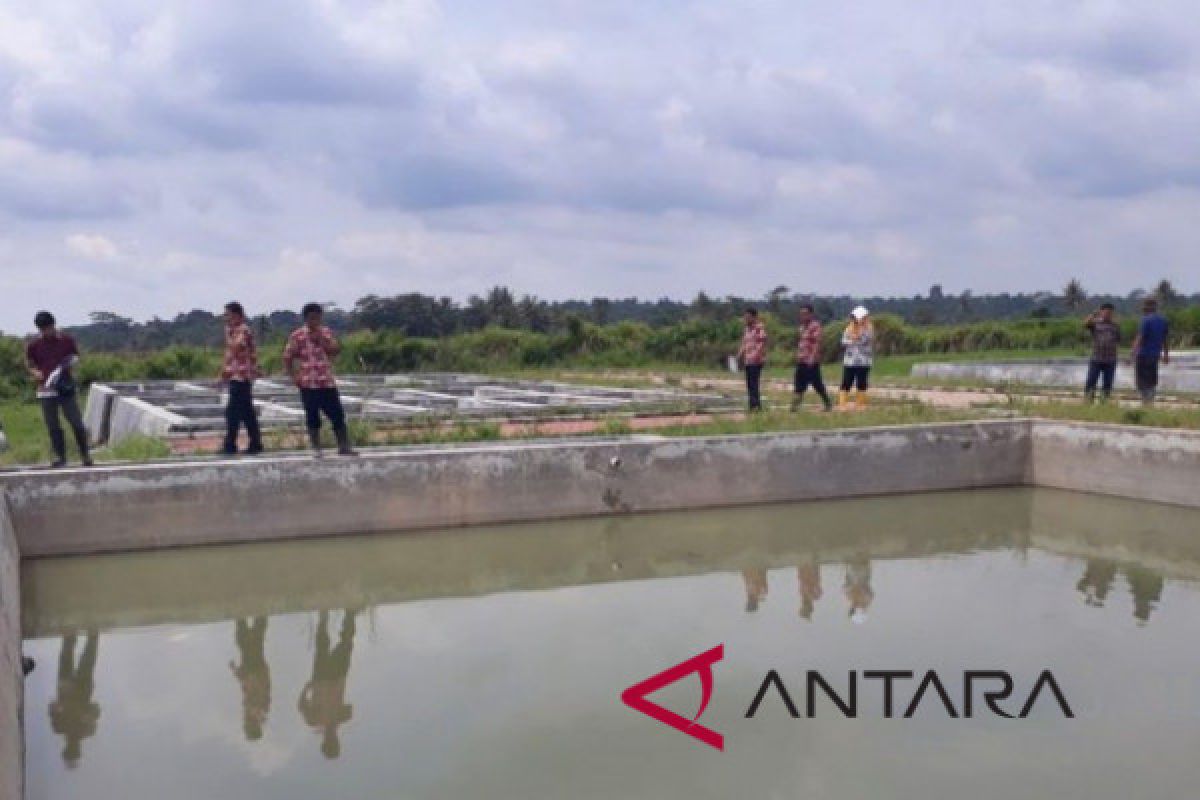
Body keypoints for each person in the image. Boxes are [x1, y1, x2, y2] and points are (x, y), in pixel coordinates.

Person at [283, 303, 357, 456]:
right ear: (306, 318)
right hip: (308, 383)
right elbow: (288, 357)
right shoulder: (297, 336)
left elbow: (335, 350)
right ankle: (316, 447)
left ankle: (343, 445)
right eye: (312, 318)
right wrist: (293, 376)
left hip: (326, 381)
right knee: (312, 415)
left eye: (318, 318)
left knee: (337, 414)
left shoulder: (326, 333)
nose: (315, 321)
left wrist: (322, 340)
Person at [26, 311, 92, 467]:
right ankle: (61, 458)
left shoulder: (66, 341)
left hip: (65, 387)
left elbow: (76, 357)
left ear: (53, 325)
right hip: (46, 390)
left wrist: (70, 365)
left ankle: (85, 455)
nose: (45, 332)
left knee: (76, 422)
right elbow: (29, 364)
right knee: (53, 425)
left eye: (48, 328)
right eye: (42, 329)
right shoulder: (34, 345)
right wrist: (36, 373)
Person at [298, 609, 358, 759]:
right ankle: (349, 613)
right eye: (335, 742)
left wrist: (307, 688)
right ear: (337, 741)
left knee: (323, 645)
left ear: (325, 741)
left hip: (321, 679)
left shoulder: (314, 720)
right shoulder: (340, 718)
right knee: (346, 643)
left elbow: (301, 705)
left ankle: (324, 615)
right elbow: (350, 710)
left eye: (331, 742)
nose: (333, 739)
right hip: (338, 678)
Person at [220, 302, 264, 455]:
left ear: (237, 315)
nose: (226, 318)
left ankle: (230, 445)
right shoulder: (233, 331)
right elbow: (230, 355)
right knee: (246, 413)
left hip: (242, 377)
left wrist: (228, 334)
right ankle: (255, 443)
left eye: (228, 315)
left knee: (233, 412)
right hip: (237, 376)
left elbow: (237, 346)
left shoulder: (242, 330)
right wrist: (224, 372)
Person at [792, 304, 832, 411]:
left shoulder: (815, 326)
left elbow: (817, 343)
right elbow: (801, 342)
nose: (803, 316)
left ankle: (827, 403)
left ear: (811, 314)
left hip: (811, 360)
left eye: (805, 314)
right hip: (802, 359)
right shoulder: (801, 327)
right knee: (799, 382)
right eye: (801, 314)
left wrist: (812, 357)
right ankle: (795, 405)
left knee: (816, 383)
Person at [1130, 297, 1169, 405]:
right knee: (1152, 381)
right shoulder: (1163, 321)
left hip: (1143, 355)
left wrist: (1132, 354)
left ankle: (1146, 402)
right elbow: (1164, 339)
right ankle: (1150, 401)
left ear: (1147, 307)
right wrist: (1166, 355)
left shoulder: (1145, 320)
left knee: (1142, 382)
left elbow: (1140, 337)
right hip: (1155, 356)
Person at [1083, 303, 1120, 402]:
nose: (1108, 314)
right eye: (1106, 312)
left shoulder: (1115, 326)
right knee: (1091, 382)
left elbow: (1118, 340)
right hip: (1096, 359)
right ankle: (1088, 401)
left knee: (1107, 384)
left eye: (1110, 312)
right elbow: (1086, 323)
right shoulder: (1095, 324)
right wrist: (1093, 314)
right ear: (1101, 312)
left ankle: (1104, 403)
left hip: (1110, 360)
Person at [839, 306, 873, 410]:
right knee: (846, 381)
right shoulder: (849, 328)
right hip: (850, 361)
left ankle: (860, 404)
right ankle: (842, 403)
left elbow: (864, 340)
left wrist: (855, 338)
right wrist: (852, 340)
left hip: (863, 361)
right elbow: (843, 341)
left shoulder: (868, 328)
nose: (855, 319)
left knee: (862, 382)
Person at [735, 307, 768, 411]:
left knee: (754, 384)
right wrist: (740, 354)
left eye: (748, 317)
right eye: (745, 317)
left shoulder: (759, 328)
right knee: (749, 384)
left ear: (754, 317)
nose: (746, 319)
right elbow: (745, 343)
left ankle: (756, 407)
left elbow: (762, 342)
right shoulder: (747, 329)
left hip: (756, 360)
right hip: (748, 360)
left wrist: (756, 354)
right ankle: (752, 406)